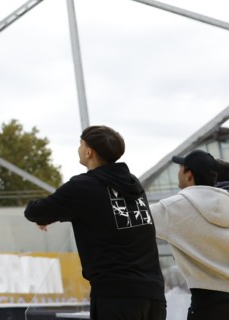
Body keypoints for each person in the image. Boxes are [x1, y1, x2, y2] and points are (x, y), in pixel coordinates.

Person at [24, 125, 166, 320]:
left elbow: (34, 211)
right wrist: (55, 214)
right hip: (154, 295)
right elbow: (102, 212)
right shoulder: (132, 184)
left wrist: (47, 216)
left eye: (80, 144)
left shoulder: (83, 186)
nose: (79, 149)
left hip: (115, 296)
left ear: (89, 151)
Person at [150, 150, 229, 320]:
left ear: (188, 174)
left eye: (180, 168)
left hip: (207, 303)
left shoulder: (174, 208)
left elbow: (130, 220)